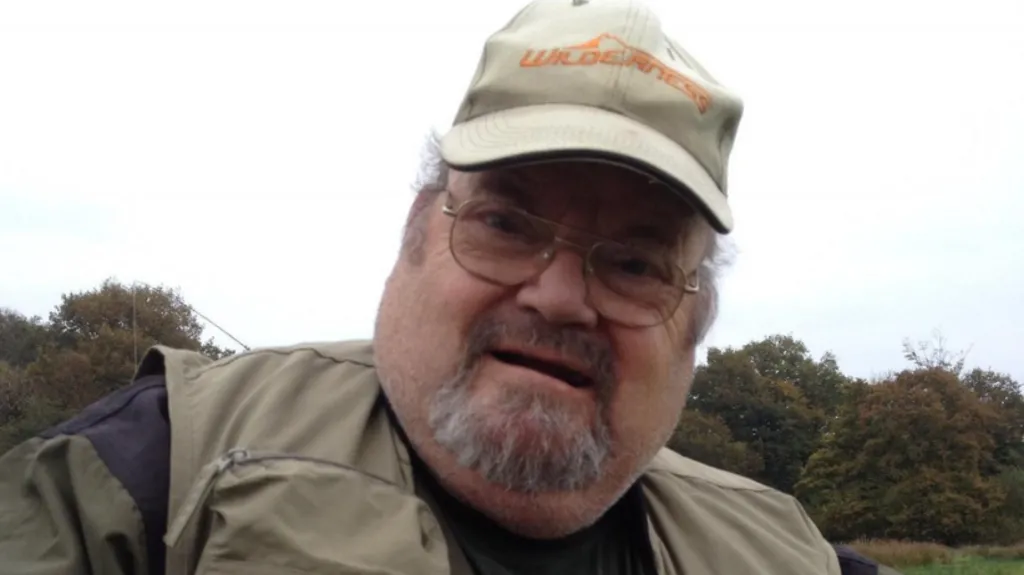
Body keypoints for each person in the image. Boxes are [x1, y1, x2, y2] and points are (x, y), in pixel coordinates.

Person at [0, 0, 859, 573]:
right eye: (508, 224)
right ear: (416, 232)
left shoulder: (787, 550)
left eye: (634, 264)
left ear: (695, 321)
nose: (559, 297)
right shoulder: (152, 468)